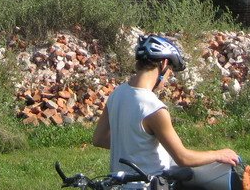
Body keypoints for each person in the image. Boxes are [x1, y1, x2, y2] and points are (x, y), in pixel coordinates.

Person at [93, 34, 240, 181]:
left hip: (119, 184)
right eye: (170, 69)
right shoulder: (153, 108)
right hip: (151, 183)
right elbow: (183, 158)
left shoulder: (116, 94)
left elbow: (99, 139)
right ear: (163, 64)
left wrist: (135, 146)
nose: (169, 77)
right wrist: (218, 154)